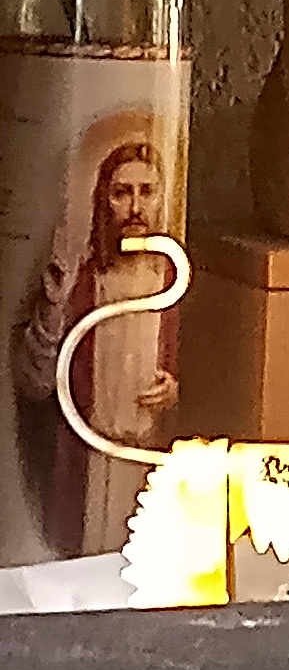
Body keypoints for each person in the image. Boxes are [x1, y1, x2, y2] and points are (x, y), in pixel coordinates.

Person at [13, 140, 178, 557]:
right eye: (122, 192)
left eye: (147, 191)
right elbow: (34, 381)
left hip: (147, 454)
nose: (135, 206)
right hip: (87, 459)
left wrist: (174, 389)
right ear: (103, 199)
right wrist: (55, 303)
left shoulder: (171, 278)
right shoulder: (84, 279)